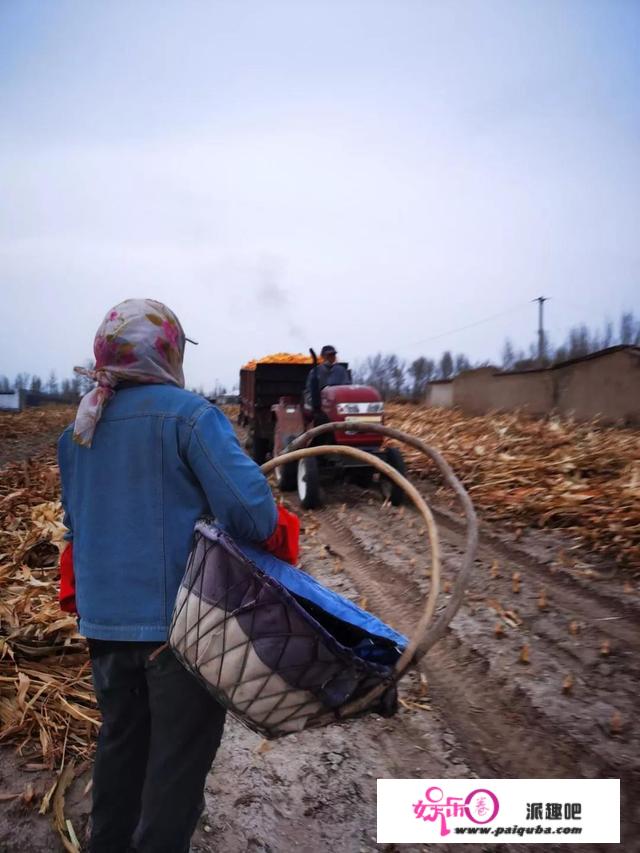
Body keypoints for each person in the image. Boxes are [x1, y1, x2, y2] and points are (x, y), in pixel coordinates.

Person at [57, 298, 296, 853]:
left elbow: (77, 524)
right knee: (175, 769)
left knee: (121, 746)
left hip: (105, 629)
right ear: (167, 351)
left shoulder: (78, 432)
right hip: (180, 632)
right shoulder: (189, 416)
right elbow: (254, 517)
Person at [304, 345, 351, 409]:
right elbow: (309, 391)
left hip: (338, 403)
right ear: (323, 356)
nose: (332, 357)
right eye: (329, 355)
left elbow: (346, 387)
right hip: (321, 404)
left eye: (333, 355)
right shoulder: (315, 371)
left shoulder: (341, 370)